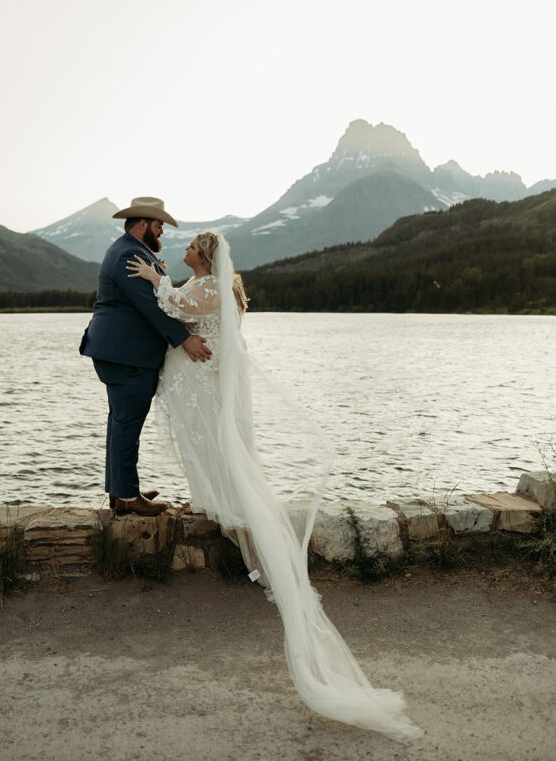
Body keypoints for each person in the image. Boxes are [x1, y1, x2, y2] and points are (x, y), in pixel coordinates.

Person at [127, 230, 422, 743]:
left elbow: (174, 303)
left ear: (206, 256)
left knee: (217, 453)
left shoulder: (207, 289)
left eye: (193, 246)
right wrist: (166, 285)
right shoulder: (217, 288)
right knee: (215, 452)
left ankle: (227, 510)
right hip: (204, 384)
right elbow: (186, 307)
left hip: (201, 385)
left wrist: (155, 278)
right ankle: (211, 500)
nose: (186, 250)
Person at [79, 196, 211, 517]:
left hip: (120, 351)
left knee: (120, 420)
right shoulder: (129, 255)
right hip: (128, 354)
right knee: (127, 421)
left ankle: (120, 490)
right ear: (142, 224)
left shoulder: (127, 250)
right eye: (158, 224)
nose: (162, 230)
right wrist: (184, 339)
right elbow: (150, 306)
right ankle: (126, 496)